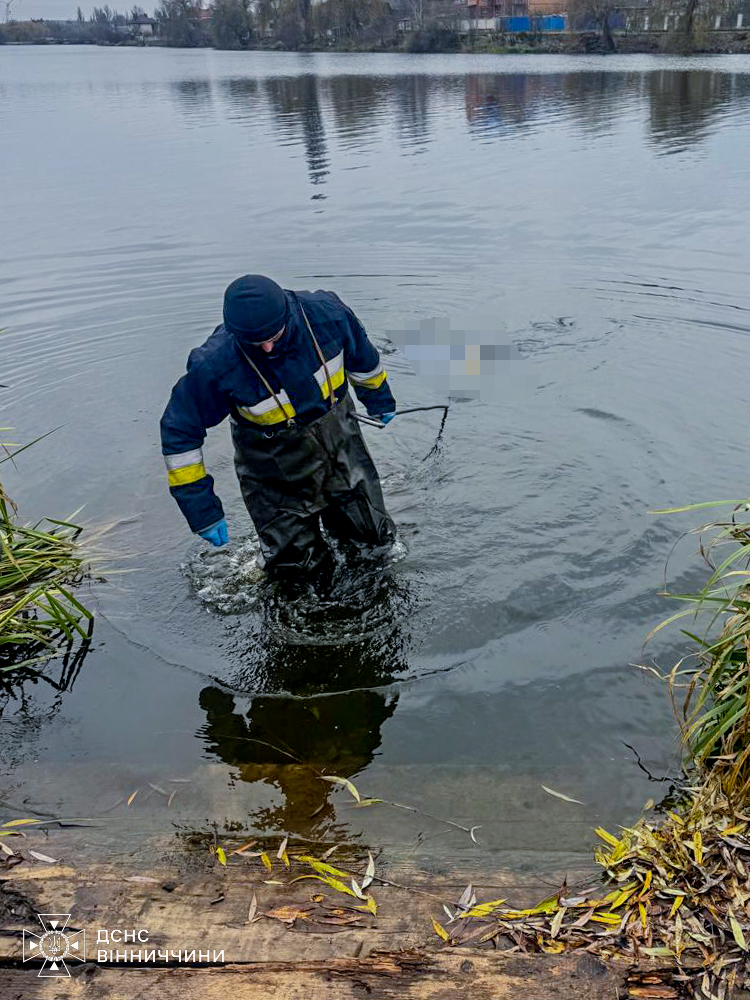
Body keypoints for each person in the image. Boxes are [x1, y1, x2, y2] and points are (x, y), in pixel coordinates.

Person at [160, 274, 397, 589]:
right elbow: (180, 434)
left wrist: (379, 399)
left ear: (289, 314)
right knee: (297, 575)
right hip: (274, 475)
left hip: (342, 448)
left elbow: (363, 361)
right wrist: (202, 510)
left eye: (274, 335)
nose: (268, 347)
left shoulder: (328, 314)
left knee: (374, 545)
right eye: (257, 343)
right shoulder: (215, 365)